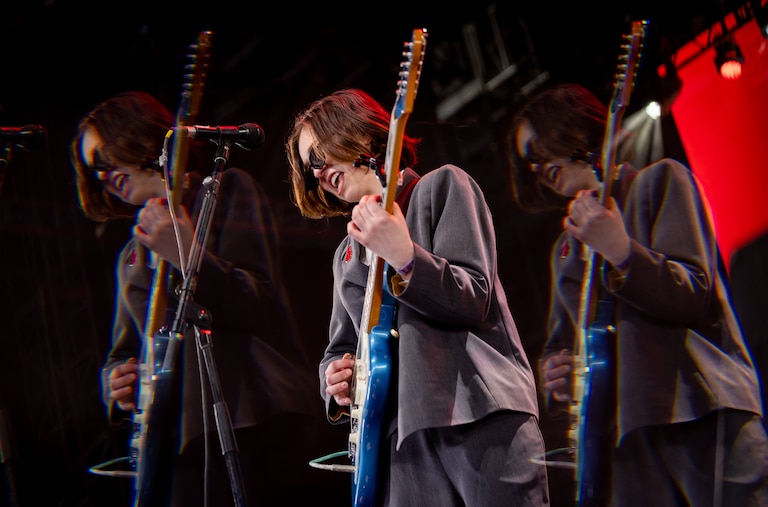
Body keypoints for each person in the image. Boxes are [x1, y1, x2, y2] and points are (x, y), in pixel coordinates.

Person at [72, 90, 347, 506]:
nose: (101, 174)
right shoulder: (130, 255)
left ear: (135, 136)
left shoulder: (222, 192)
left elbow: (260, 302)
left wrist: (188, 256)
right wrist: (116, 381)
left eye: (104, 158)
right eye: (93, 169)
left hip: (251, 422)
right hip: (177, 443)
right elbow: (125, 351)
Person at [505, 82, 768, 506]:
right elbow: (564, 348)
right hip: (623, 446)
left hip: (700, 413)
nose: (536, 167)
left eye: (539, 149)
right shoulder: (567, 250)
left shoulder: (659, 181)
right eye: (527, 163)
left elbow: (693, 293)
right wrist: (556, 375)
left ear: (572, 129)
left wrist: (621, 252)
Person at [284, 88, 550, 506]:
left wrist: (404, 256)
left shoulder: (441, 187)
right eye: (308, 168)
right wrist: (333, 379)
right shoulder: (347, 254)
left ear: (356, 133)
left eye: (319, 156)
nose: (317, 173)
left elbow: (474, 296)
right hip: (397, 443)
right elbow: (338, 349)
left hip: (476, 413)